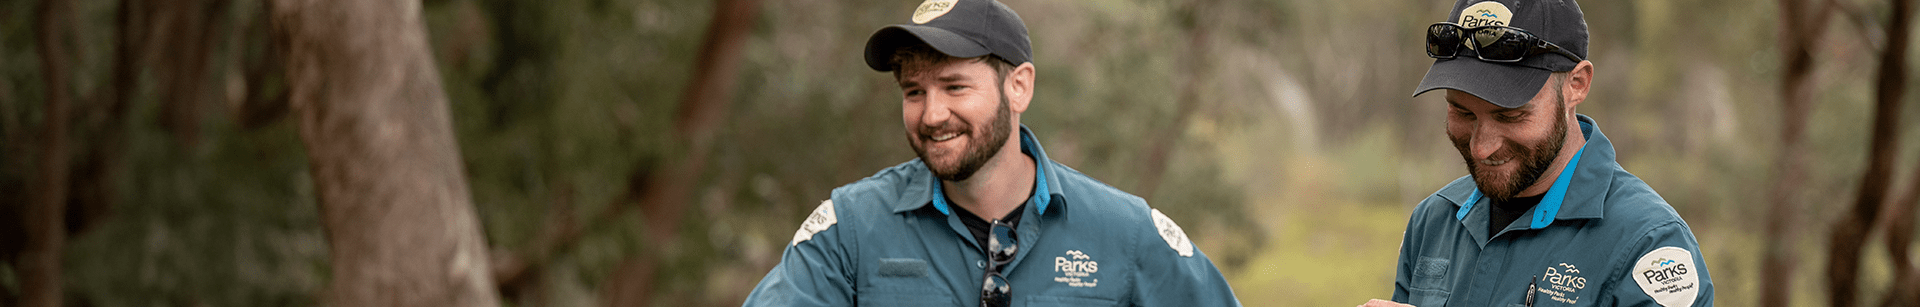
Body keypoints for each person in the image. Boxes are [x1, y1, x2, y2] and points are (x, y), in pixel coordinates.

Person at [742, 0, 1242, 306]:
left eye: (955, 87)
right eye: (914, 92)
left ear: (1018, 87)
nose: (931, 114)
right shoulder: (850, 228)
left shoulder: (1126, 231)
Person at [1361, 0, 1714, 306]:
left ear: (1577, 85)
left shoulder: (1648, 244)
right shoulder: (1435, 220)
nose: (1481, 147)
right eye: (1463, 113)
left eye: (1510, 115)